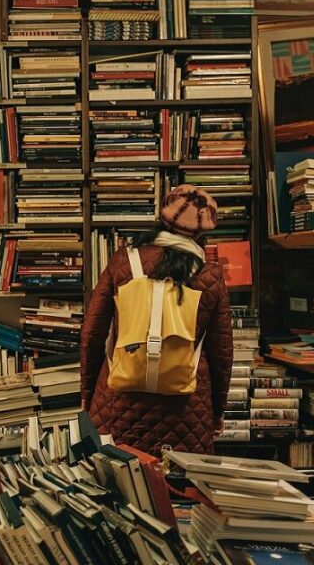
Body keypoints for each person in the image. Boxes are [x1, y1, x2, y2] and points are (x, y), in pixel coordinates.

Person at [80, 185, 233, 456]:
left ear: (162, 218)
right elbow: (221, 354)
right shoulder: (211, 276)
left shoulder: (123, 263)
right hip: (187, 408)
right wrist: (217, 411)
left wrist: (88, 394)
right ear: (202, 232)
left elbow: (92, 334)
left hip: (117, 402)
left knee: (115, 486)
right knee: (183, 490)